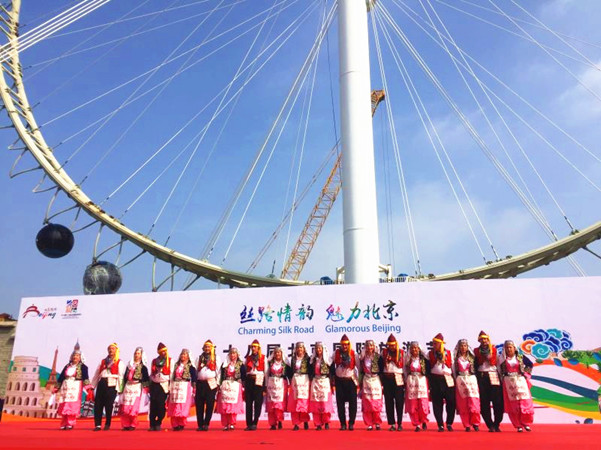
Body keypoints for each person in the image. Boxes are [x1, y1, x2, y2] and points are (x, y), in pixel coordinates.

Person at [499, 340, 534, 432]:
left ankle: (526, 423)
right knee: (513, 405)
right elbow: (499, 369)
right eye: (507, 347)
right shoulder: (502, 358)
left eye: (510, 347)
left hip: (520, 380)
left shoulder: (520, 357)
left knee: (525, 402)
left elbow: (530, 364)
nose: (509, 349)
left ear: (514, 348)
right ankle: (518, 425)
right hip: (508, 382)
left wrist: (526, 374)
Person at [55, 346, 93, 430]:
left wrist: (88, 388)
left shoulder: (83, 367)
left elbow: (85, 378)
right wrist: (57, 387)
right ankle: (63, 423)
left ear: (80, 357)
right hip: (66, 386)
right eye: (74, 355)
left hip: (75, 387)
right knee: (64, 404)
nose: (75, 357)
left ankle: (70, 423)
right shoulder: (67, 366)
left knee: (72, 405)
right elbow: (61, 377)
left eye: (77, 355)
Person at [474, 331, 503, 432]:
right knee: (484, 401)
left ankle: (497, 423)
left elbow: (497, 363)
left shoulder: (494, 350)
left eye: (485, 339)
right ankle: (490, 424)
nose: (484, 341)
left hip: (493, 375)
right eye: (482, 339)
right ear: (479, 340)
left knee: (497, 401)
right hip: (482, 376)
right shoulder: (476, 351)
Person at [92, 343, 125, 431]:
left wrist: (120, 389)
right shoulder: (103, 361)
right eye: (109, 348)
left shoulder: (119, 362)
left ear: (116, 350)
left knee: (109, 405)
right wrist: (92, 386)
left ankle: (107, 423)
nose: (111, 350)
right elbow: (97, 373)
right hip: (102, 382)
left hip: (112, 384)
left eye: (113, 348)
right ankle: (98, 424)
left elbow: (121, 376)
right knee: (98, 404)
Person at [428, 333, 456, 432]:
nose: (434, 345)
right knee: (437, 403)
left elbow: (453, 367)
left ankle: (449, 423)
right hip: (435, 379)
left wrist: (455, 379)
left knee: (451, 402)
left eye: (436, 343)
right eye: (433, 343)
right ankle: (440, 424)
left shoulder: (449, 353)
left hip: (448, 379)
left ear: (441, 344)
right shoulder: (430, 354)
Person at [331, 334, 358, 431]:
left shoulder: (353, 354)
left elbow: (359, 367)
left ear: (349, 345)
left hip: (350, 381)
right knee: (340, 404)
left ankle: (351, 423)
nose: (344, 346)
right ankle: (342, 423)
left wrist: (359, 380)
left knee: (353, 404)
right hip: (339, 381)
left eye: (346, 344)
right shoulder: (336, 353)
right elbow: (330, 364)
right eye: (343, 344)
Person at [453, 339, 481, 432]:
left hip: (471, 379)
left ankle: (475, 423)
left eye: (465, 346)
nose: (463, 348)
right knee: (463, 403)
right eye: (461, 346)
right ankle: (467, 424)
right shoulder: (455, 358)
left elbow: (477, 368)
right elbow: (453, 370)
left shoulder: (472, 357)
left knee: (474, 402)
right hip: (460, 380)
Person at [119, 347, 149, 431]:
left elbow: (146, 379)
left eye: (138, 353)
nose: (136, 355)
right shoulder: (129, 365)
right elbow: (125, 377)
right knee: (125, 406)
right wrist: (121, 389)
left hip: (136, 386)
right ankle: (125, 424)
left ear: (141, 355)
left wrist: (147, 389)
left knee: (134, 406)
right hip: (128, 386)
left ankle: (132, 424)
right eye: (135, 353)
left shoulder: (143, 367)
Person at [168, 348, 197, 431]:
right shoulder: (176, 365)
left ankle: (181, 423)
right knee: (174, 404)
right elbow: (171, 375)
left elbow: (194, 378)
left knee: (182, 405)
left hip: (185, 386)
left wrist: (194, 388)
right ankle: (175, 424)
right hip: (175, 386)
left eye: (185, 354)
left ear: (188, 356)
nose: (183, 356)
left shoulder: (191, 366)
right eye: (182, 354)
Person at [217, 347, 246, 431]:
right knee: (225, 405)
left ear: (237, 355)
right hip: (225, 385)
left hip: (235, 386)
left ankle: (232, 423)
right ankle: (225, 424)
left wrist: (243, 386)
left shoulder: (241, 364)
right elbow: (220, 375)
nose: (232, 355)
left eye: (234, 353)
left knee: (233, 405)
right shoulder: (225, 364)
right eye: (231, 353)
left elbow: (243, 376)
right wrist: (219, 384)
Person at [380, 333, 405, 431]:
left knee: (399, 401)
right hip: (387, 378)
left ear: (396, 344)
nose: (391, 347)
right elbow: (380, 365)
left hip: (398, 378)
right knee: (388, 401)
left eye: (393, 345)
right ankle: (392, 424)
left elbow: (405, 367)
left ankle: (400, 423)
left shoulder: (401, 352)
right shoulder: (384, 352)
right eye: (390, 345)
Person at [195, 340, 221, 431]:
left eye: (209, 347)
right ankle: (200, 424)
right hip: (200, 383)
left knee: (210, 404)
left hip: (211, 383)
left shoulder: (216, 358)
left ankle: (206, 423)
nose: (207, 348)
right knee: (199, 404)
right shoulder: (199, 358)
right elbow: (196, 370)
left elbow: (218, 371)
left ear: (212, 348)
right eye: (205, 347)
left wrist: (218, 383)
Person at [405, 341, 430, 432]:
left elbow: (428, 364)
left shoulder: (423, 359)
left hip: (421, 380)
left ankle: (423, 420)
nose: (414, 349)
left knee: (423, 403)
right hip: (411, 380)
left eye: (416, 348)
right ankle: (417, 424)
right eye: (412, 348)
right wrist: (406, 380)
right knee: (413, 403)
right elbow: (405, 370)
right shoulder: (408, 359)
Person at [308, 341, 333, 430]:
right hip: (316, 381)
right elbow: (309, 371)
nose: (318, 350)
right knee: (316, 403)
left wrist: (332, 383)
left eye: (320, 348)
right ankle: (318, 423)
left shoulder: (328, 360)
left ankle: (326, 421)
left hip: (325, 381)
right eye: (317, 348)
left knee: (325, 403)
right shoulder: (312, 360)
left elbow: (332, 372)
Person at [359, 339, 383, 431]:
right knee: (367, 402)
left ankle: (377, 422)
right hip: (366, 379)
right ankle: (369, 423)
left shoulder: (378, 357)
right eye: (368, 346)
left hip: (376, 379)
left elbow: (381, 369)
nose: (370, 347)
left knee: (376, 402)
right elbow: (360, 369)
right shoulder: (363, 357)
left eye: (371, 345)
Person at [148, 342, 172, 431]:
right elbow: (151, 373)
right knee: (153, 405)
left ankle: (158, 422)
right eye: (162, 351)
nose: (163, 353)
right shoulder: (154, 361)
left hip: (164, 385)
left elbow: (172, 374)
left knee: (161, 405)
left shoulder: (170, 361)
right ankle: (152, 424)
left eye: (165, 351)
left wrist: (170, 387)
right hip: (154, 384)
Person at [288, 341, 311, 430]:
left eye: (301, 347)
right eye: (298, 348)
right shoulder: (293, 359)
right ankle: (296, 423)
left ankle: (305, 421)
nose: (299, 349)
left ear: (304, 349)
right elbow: (290, 371)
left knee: (303, 401)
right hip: (295, 380)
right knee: (295, 401)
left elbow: (310, 370)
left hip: (304, 380)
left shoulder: (308, 359)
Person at [244, 339, 266, 431]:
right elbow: (245, 371)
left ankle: (255, 423)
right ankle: (249, 423)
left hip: (259, 380)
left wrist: (264, 387)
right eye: (252, 347)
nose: (253, 349)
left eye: (255, 347)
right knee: (248, 403)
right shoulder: (248, 358)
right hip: (249, 380)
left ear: (258, 348)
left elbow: (266, 372)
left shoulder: (263, 358)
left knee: (258, 402)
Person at [265, 346, 289, 430]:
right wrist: (265, 385)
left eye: (279, 352)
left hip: (281, 385)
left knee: (279, 404)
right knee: (271, 404)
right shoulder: (270, 363)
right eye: (276, 353)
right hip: (271, 385)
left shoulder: (285, 363)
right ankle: (272, 423)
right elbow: (267, 373)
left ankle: (279, 420)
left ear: (281, 354)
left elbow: (289, 374)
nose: (277, 354)